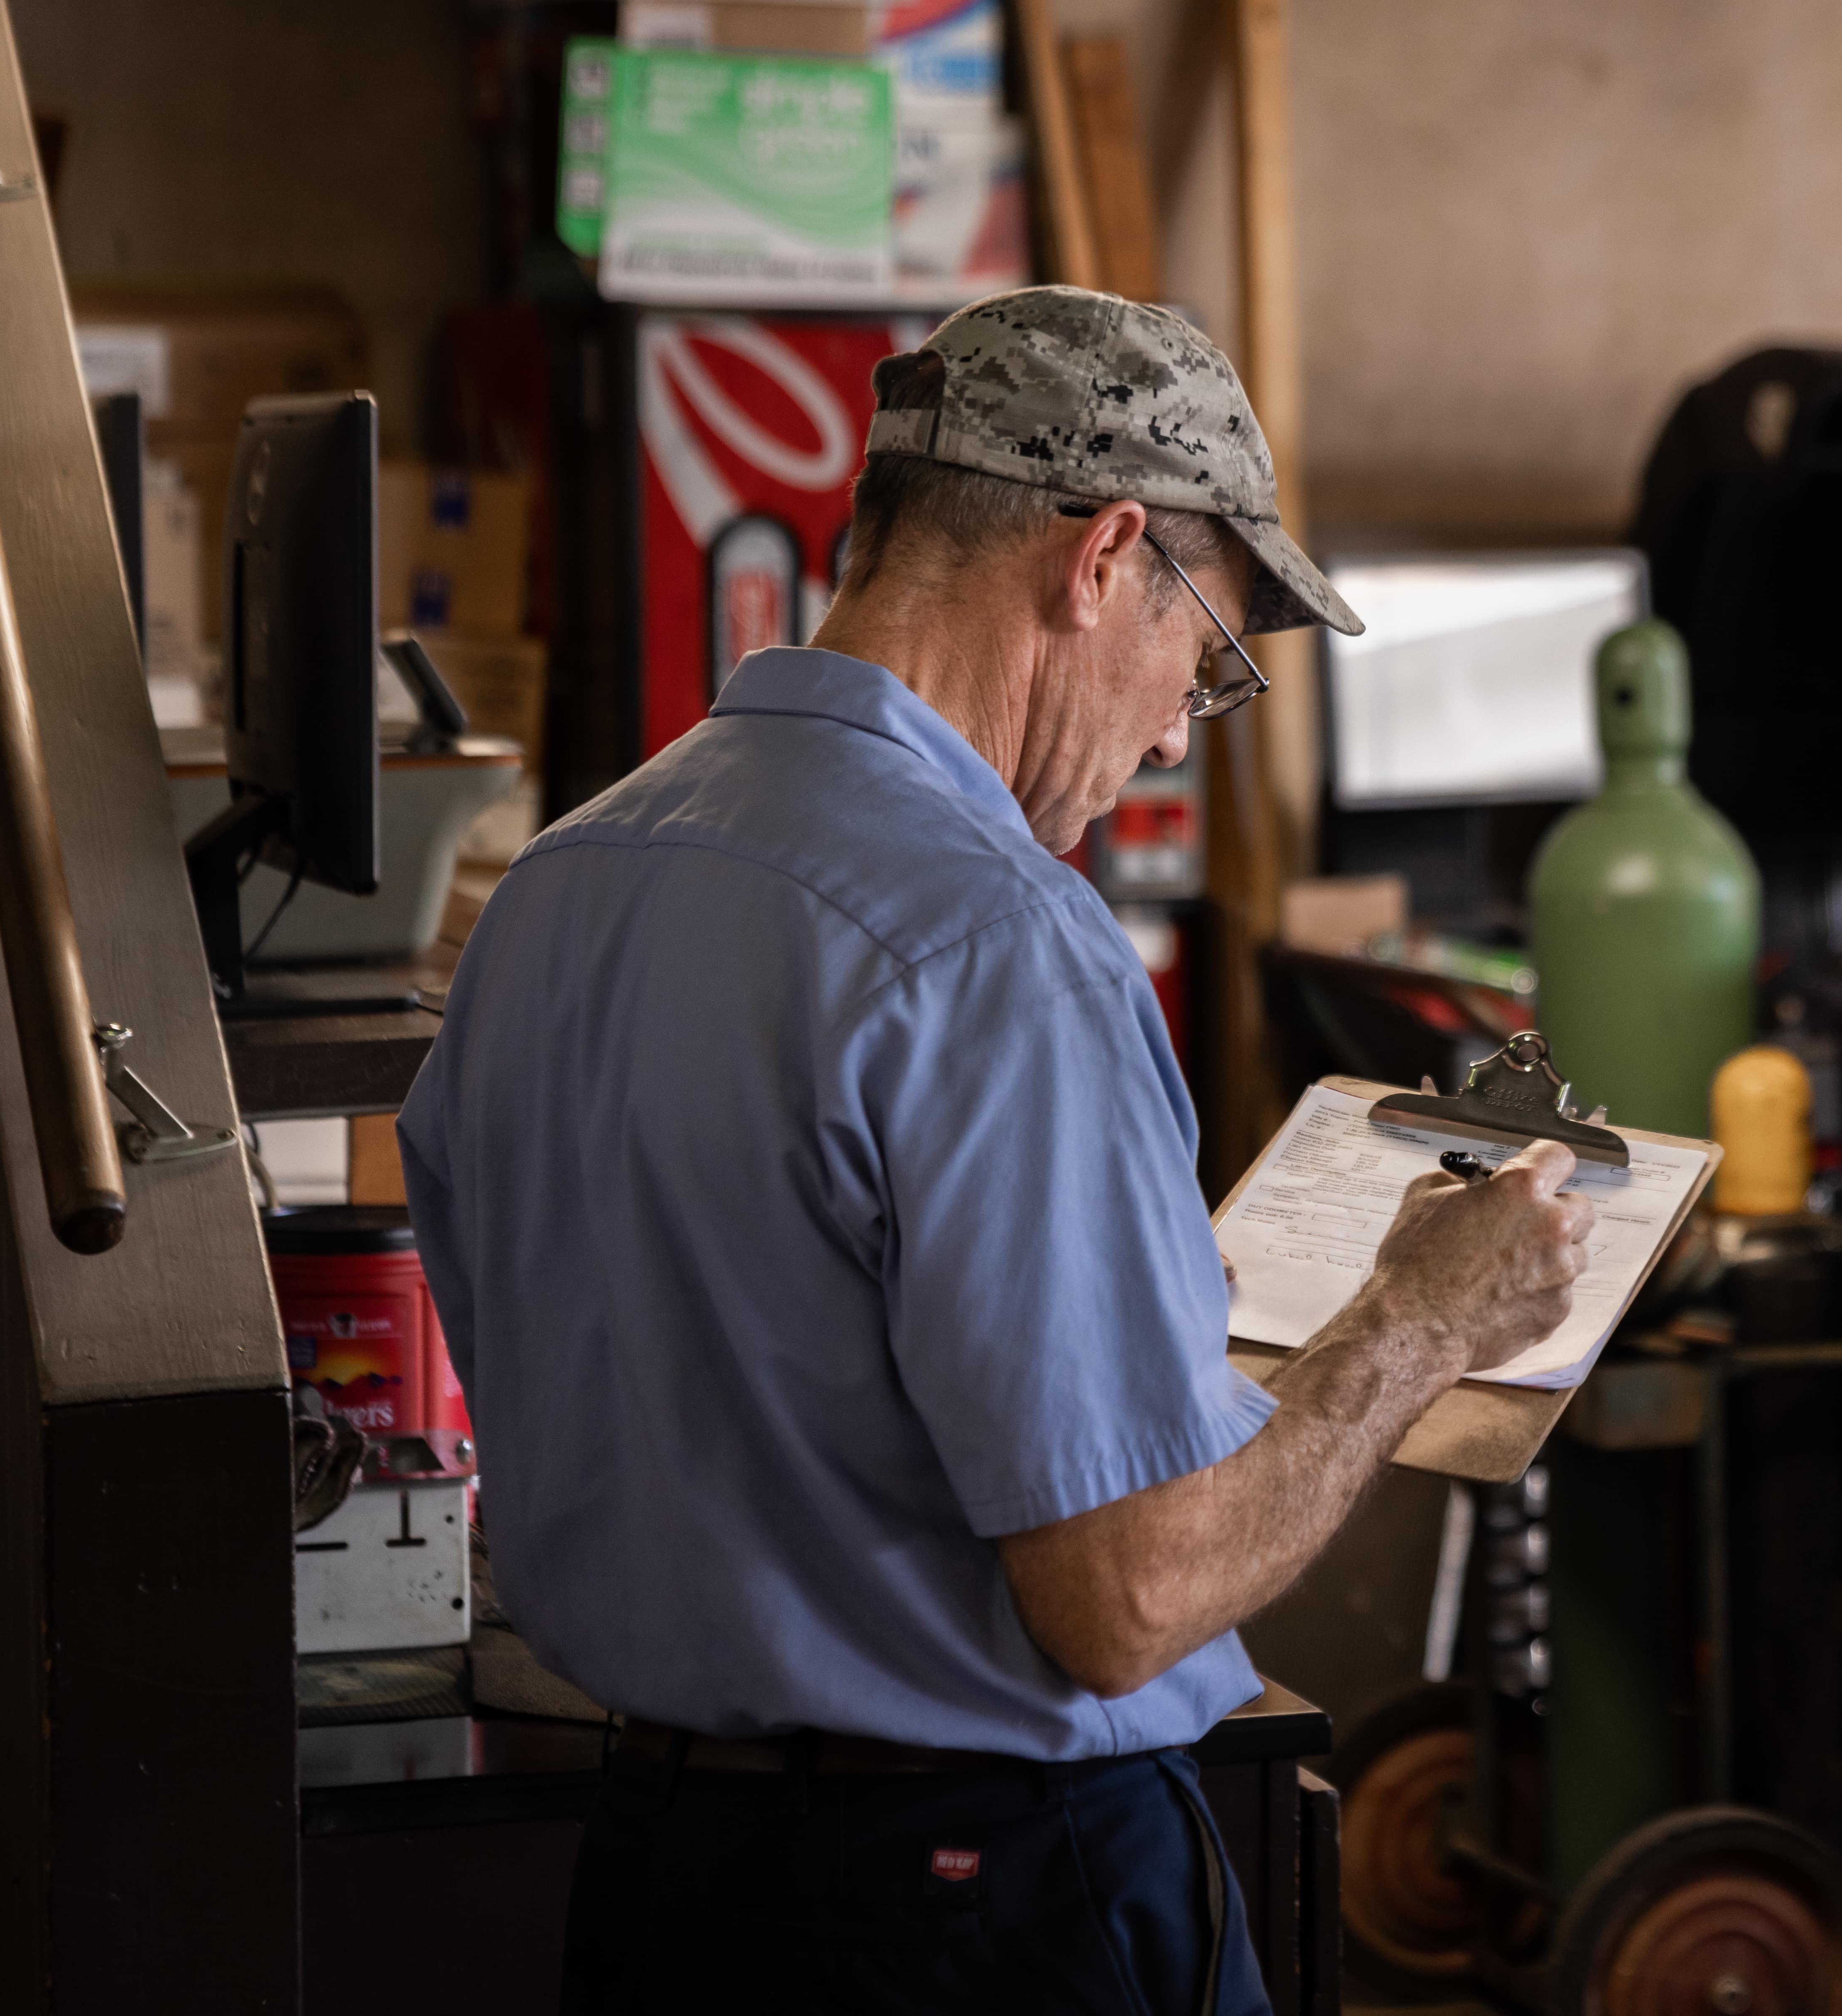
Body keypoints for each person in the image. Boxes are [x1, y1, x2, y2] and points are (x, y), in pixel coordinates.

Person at [396, 286, 1595, 2014]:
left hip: (658, 1880)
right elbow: (1129, 1597)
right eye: (1212, 649)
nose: (1183, 728)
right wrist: (1416, 1318)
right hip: (976, 1907)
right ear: (1106, 556)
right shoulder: (991, 943)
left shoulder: (557, 889)